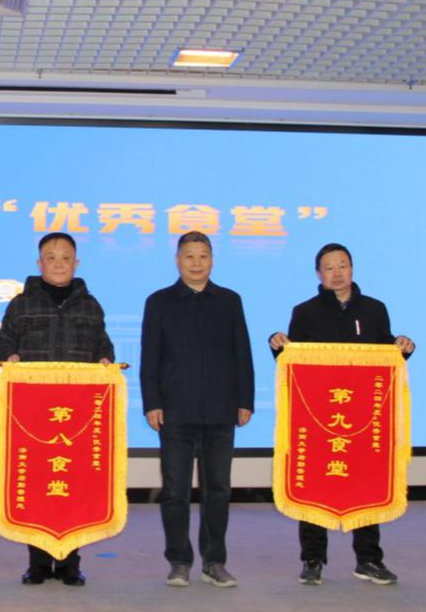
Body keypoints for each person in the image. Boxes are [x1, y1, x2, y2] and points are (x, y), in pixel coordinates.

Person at [268, 242, 415, 587]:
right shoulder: (305, 312)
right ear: (318, 274)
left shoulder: (375, 309)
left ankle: (369, 559)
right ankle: (312, 559)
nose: (337, 273)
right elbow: (292, 358)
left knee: (366, 482)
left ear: (352, 268)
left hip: (363, 419)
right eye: (329, 267)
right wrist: (276, 344)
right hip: (318, 419)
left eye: (343, 265)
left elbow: (386, 354)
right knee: (315, 484)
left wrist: (403, 347)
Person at [0, 232, 115, 587]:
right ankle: (37, 562)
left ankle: (70, 563)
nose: (58, 263)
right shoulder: (21, 304)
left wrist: (105, 358)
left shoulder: (90, 305)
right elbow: (3, 341)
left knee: (73, 484)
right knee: (36, 485)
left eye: (65, 258)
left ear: (76, 263)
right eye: (51, 257)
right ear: (39, 263)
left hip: (77, 413)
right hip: (33, 412)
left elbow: (102, 344)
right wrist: (9, 355)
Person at [140, 231, 253, 589]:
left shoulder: (230, 300)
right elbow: (150, 357)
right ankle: (179, 561)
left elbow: (242, 352)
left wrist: (245, 400)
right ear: (177, 260)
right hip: (175, 411)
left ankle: (214, 561)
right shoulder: (159, 302)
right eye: (189, 256)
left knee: (218, 489)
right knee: (175, 491)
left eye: (203, 256)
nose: (196, 263)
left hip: (221, 410)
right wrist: (152, 402)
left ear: (212, 260)